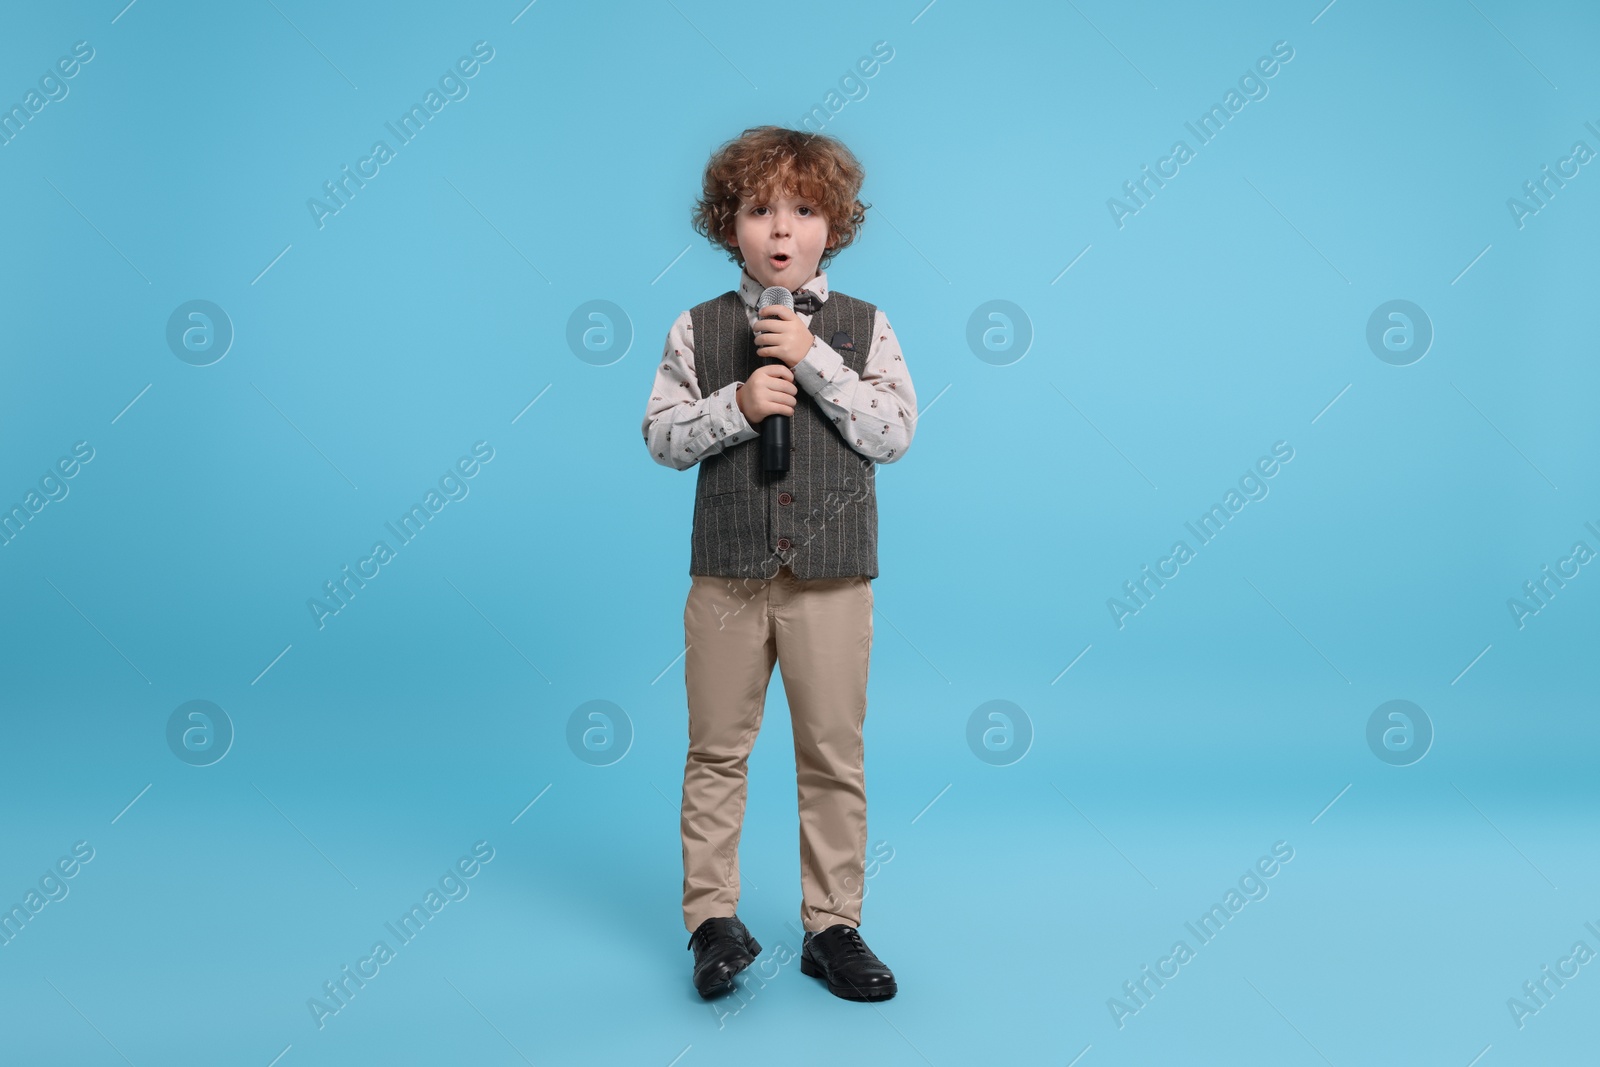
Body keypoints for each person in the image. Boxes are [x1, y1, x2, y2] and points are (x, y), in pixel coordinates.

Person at [641, 125, 917, 1002]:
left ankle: (832, 924)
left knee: (832, 752)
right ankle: (711, 921)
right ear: (731, 227)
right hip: (726, 577)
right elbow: (660, 437)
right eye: (760, 210)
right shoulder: (697, 328)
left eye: (804, 210)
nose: (782, 230)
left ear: (834, 225)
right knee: (717, 748)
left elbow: (895, 433)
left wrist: (816, 365)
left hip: (832, 580)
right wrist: (736, 403)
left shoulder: (866, 329)